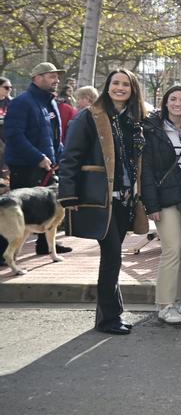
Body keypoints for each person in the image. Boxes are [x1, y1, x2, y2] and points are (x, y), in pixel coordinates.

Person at [58, 68, 149, 335]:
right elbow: (70, 156)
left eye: (126, 85)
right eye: (115, 83)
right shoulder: (90, 116)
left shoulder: (134, 119)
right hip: (100, 199)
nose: (120, 88)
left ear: (133, 90)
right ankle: (110, 319)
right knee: (111, 257)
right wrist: (68, 193)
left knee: (113, 258)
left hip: (126, 200)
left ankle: (106, 316)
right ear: (107, 86)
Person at [142, 85, 181, 326]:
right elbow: (146, 171)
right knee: (172, 250)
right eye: (173, 99)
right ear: (165, 102)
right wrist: (151, 205)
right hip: (164, 199)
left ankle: (176, 299)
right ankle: (164, 305)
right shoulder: (152, 130)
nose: (177, 103)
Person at [3, 62, 67, 257]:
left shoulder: (51, 102)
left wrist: (59, 156)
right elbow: (13, 135)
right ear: (37, 78)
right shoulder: (22, 102)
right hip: (25, 166)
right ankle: (4, 253)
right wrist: (38, 157)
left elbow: (55, 135)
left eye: (57, 76)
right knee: (16, 214)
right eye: (51, 76)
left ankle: (45, 245)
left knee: (44, 210)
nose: (56, 80)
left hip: (47, 165)